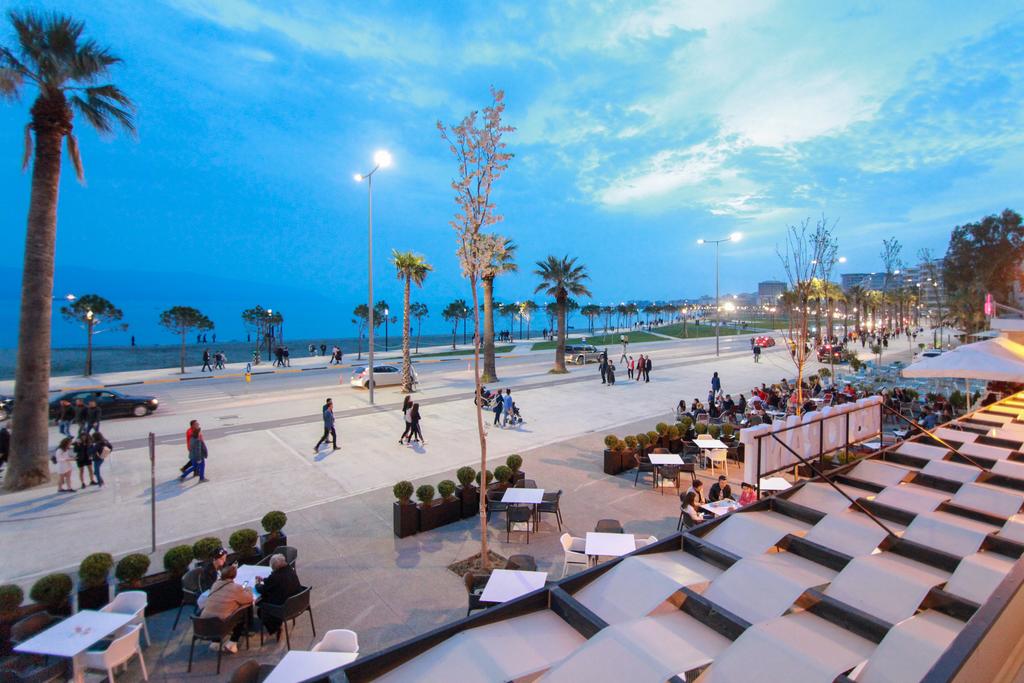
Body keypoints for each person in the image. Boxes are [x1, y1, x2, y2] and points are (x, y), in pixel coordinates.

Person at [199, 564, 254, 653]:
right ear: (234, 576)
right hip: (221, 625)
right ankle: (232, 643)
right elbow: (249, 599)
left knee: (218, 610)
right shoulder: (236, 588)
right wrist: (248, 590)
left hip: (202, 624)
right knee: (242, 612)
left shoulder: (215, 584)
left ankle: (215, 642)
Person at [256, 554, 301, 636]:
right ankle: (276, 623)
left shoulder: (275, 576)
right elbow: (272, 582)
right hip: (295, 604)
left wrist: (257, 584)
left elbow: (262, 589)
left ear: (275, 567)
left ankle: (275, 627)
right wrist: (265, 580)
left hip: (282, 607)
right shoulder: (290, 570)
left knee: (260, 608)